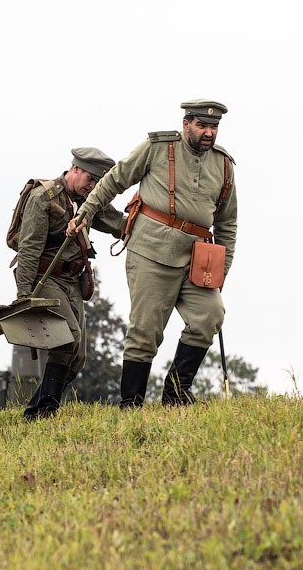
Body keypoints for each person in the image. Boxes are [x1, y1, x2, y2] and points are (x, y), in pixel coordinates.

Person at [70, 99, 237, 407]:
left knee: (210, 315)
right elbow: (115, 179)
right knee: (145, 332)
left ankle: (176, 393)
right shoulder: (158, 147)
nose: (208, 133)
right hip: (150, 252)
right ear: (186, 124)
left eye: (213, 127)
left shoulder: (223, 164)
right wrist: (86, 211)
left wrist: (222, 269)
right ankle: (131, 404)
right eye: (202, 125)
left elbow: (227, 222)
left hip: (196, 260)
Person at [14, 147, 123, 420]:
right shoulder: (43, 198)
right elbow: (28, 249)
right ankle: (45, 411)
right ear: (75, 169)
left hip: (72, 280)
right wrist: (24, 296)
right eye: (90, 179)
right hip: (45, 278)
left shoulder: (88, 200)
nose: (92, 186)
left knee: (78, 357)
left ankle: (36, 411)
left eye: (97, 182)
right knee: (68, 339)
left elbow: (118, 223)